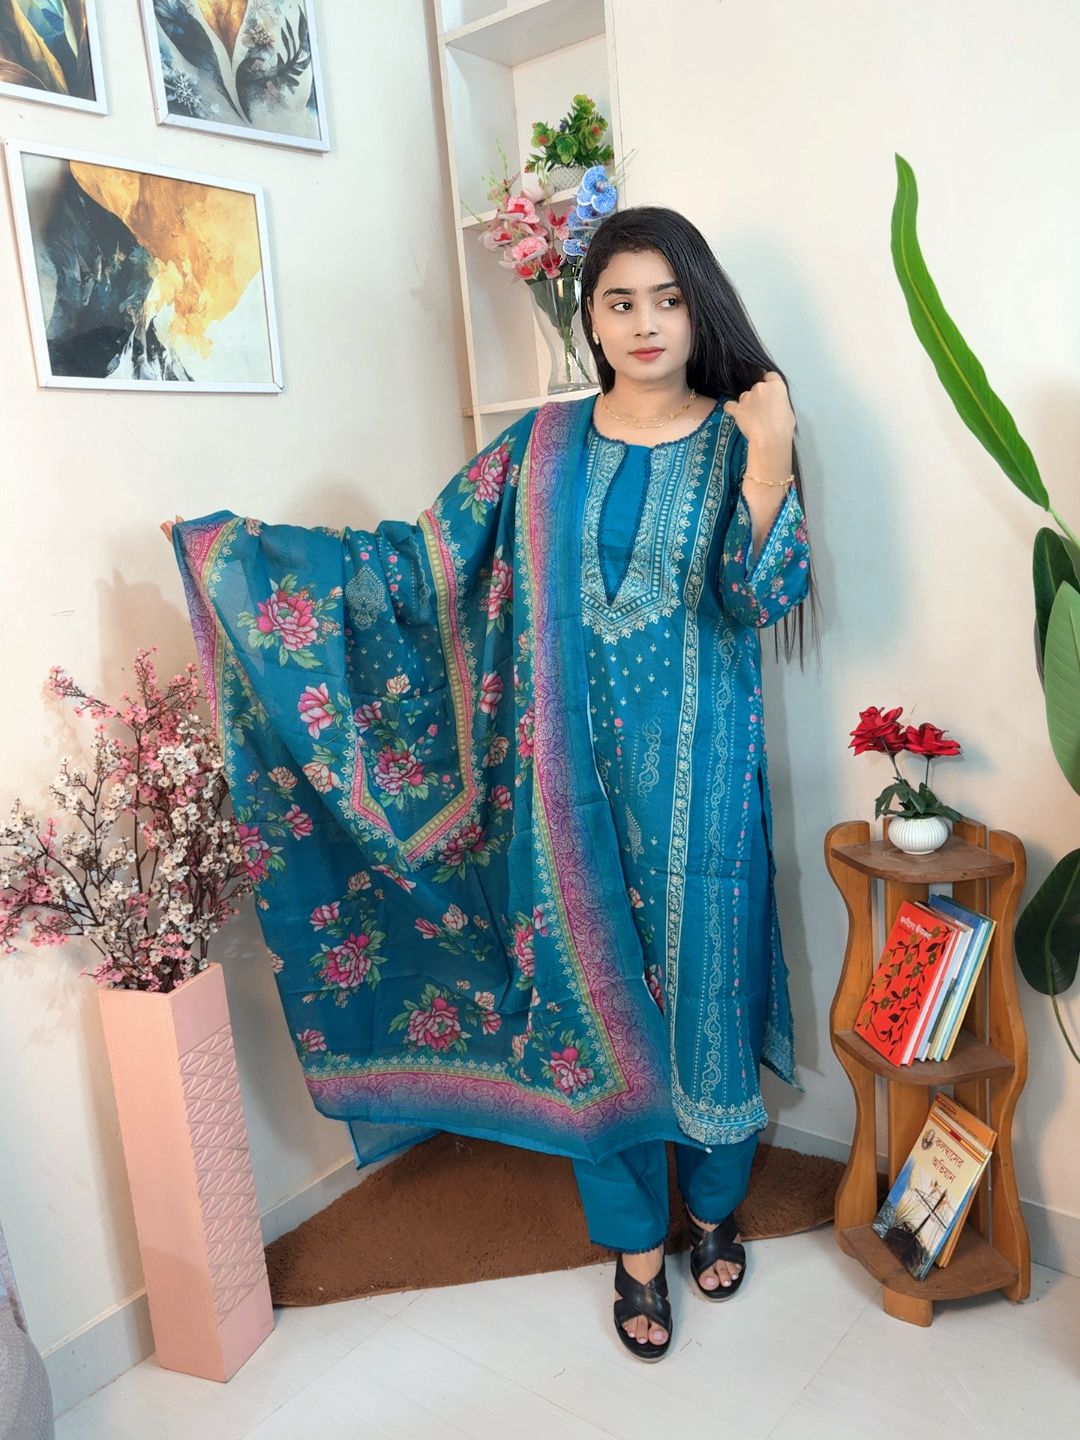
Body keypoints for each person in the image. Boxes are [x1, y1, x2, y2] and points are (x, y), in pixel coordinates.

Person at [164, 205, 812, 1365]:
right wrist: (244, 561)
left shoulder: (737, 439)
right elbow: (417, 567)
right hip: (559, 794)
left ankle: (714, 1205)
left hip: (703, 784)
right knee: (585, 1010)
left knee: (707, 992)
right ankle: (636, 1249)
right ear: (590, 319)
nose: (647, 323)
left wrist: (770, 458)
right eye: (620, 301)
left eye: (669, 299)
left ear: (699, 307)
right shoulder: (540, 448)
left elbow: (759, 596)